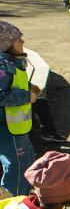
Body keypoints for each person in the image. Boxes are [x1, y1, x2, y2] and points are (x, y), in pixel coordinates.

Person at [0, 22, 39, 195]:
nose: (22, 41)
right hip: (7, 127)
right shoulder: (3, 65)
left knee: (27, 161)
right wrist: (26, 96)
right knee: (16, 166)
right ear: (7, 43)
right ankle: (11, 206)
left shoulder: (14, 62)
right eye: (18, 39)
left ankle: (23, 198)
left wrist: (30, 87)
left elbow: (14, 84)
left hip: (18, 127)